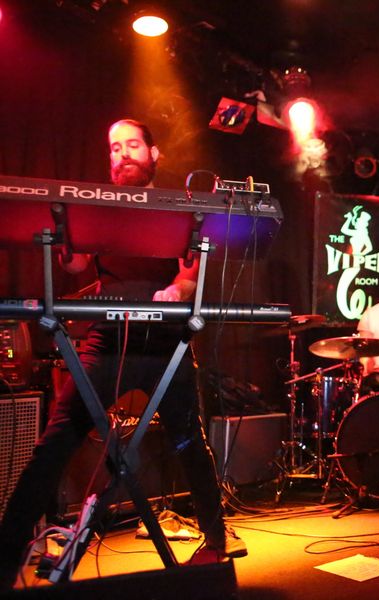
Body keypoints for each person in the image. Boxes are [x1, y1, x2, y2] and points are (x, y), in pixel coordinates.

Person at [0, 119, 245, 589]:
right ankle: (5, 559)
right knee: (56, 441)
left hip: (166, 343)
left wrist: (175, 292)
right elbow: (75, 264)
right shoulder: (99, 207)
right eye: (114, 148)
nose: (122, 154)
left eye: (132, 145)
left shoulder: (179, 209)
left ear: (154, 154)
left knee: (190, 443)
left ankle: (215, 542)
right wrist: (61, 229)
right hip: (108, 341)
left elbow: (189, 276)